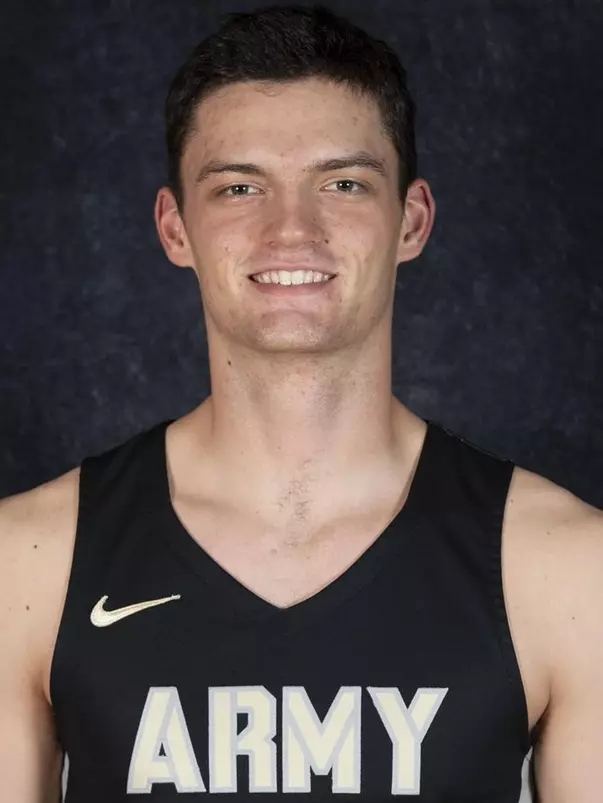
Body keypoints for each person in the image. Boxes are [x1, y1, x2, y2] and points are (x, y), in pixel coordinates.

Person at [1, 3, 602, 801]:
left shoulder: (564, 566)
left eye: (343, 183)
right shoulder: (27, 562)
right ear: (175, 228)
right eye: (240, 187)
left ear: (410, 220)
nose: (292, 230)